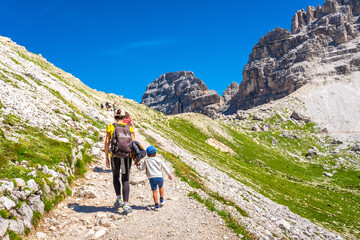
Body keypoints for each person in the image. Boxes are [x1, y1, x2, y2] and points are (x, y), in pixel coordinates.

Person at [105, 109, 135, 214]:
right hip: (127, 156)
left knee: (115, 176)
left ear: (115, 117)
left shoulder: (111, 126)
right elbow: (133, 143)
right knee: (125, 178)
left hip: (115, 155)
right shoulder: (129, 127)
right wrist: (134, 158)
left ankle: (118, 199)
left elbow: (107, 142)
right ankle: (126, 205)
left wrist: (107, 157)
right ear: (123, 118)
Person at [137, 146, 172, 211]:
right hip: (159, 177)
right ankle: (161, 200)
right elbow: (165, 167)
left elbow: (141, 168)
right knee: (161, 187)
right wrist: (169, 174)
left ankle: (156, 206)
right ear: (155, 153)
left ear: (147, 154)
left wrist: (138, 165)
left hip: (152, 178)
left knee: (154, 191)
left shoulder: (146, 161)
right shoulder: (159, 160)